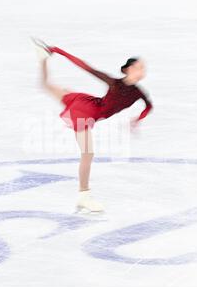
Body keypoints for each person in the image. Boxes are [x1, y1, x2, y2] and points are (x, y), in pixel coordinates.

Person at [33, 38, 152, 212]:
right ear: (129, 69)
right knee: (88, 153)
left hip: (86, 103)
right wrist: (59, 50)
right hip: (85, 111)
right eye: (140, 67)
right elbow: (86, 67)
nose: (143, 70)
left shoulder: (138, 92)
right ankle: (84, 196)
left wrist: (137, 120)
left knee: (47, 86)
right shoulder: (114, 83)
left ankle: (42, 58)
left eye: (143, 68)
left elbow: (149, 106)